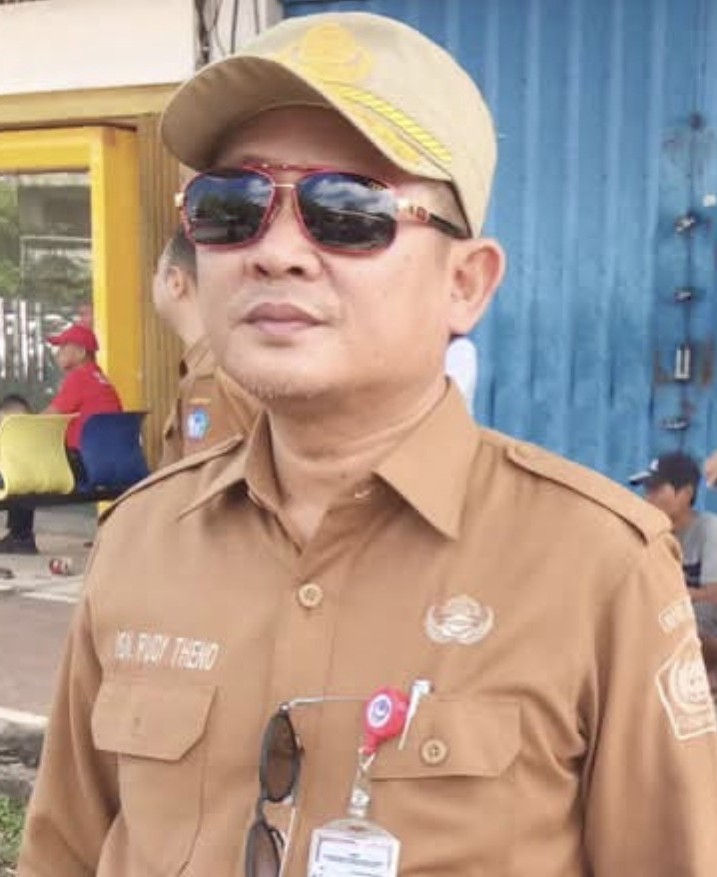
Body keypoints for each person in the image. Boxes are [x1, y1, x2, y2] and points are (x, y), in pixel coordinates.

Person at [19, 12, 717, 877]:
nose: (276, 252)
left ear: (466, 282)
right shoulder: (142, 539)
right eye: (232, 207)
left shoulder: (594, 567)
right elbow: (65, 851)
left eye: (346, 211)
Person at [152, 226, 259, 466]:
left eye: (157, 272)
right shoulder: (235, 359)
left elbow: (208, 484)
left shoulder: (212, 375)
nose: (153, 281)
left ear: (175, 282)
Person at [632, 450, 717, 673]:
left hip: (701, 624)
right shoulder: (653, 533)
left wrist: (670, 594)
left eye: (656, 489)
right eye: (647, 490)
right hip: (669, 613)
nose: (648, 498)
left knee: (681, 619)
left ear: (686, 493)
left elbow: (713, 595)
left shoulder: (709, 529)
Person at [45, 323, 123, 454]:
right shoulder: (99, 378)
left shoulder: (80, 377)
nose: (58, 353)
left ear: (81, 352)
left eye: (63, 347)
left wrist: (20, 425)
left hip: (84, 457)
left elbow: (48, 418)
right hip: (110, 455)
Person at [0, 393, 37, 554]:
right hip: (36, 479)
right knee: (24, 480)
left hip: (11, 479)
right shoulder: (36, 437)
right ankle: (22, 537)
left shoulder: (6, 433)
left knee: (18, 480)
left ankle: (19, 537)